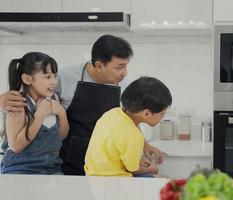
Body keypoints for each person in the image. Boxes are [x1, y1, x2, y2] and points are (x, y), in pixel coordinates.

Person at [0, 35, 166, 175]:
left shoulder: (123, 84)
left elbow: (128, 120)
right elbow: (32, 98)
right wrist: (2, 100)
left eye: (126, 66)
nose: (125, 72)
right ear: (99, 65)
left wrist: (145, 145)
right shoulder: (63, 78)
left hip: (105, 163)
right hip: (65, 163)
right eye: (120, 67)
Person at [84, 77, 172, 177]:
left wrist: (146, 146)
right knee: (152, 178)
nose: (163, 116)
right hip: (112, 181)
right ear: (146, 113)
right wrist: (151, 169)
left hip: (92, 175)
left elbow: (125, 137)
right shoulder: (133, 137)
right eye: (162, 113)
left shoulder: (112, 113)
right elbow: (133, 170)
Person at [1, 52, 69, 174]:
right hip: (20, 169)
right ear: (27, 79)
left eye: (54, 76)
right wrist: (39, 115)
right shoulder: (19, 104)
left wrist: (61, 112)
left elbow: (62, 136)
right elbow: (16, 146)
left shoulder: (54, 98)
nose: (54, 82)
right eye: (47, 77)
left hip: (51, 168)